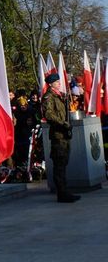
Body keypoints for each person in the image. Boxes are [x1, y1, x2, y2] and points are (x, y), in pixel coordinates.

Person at [41, 72, 79, 203]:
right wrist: (63, 123)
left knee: (63, 163)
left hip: (64, 134)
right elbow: (49, 115)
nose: (59, 83)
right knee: (59, 164)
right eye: (56, 82)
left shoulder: (59, 96)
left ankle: (64, 191)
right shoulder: (48, 97)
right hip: (58, 134)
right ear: (51, 84)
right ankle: (62, 194)